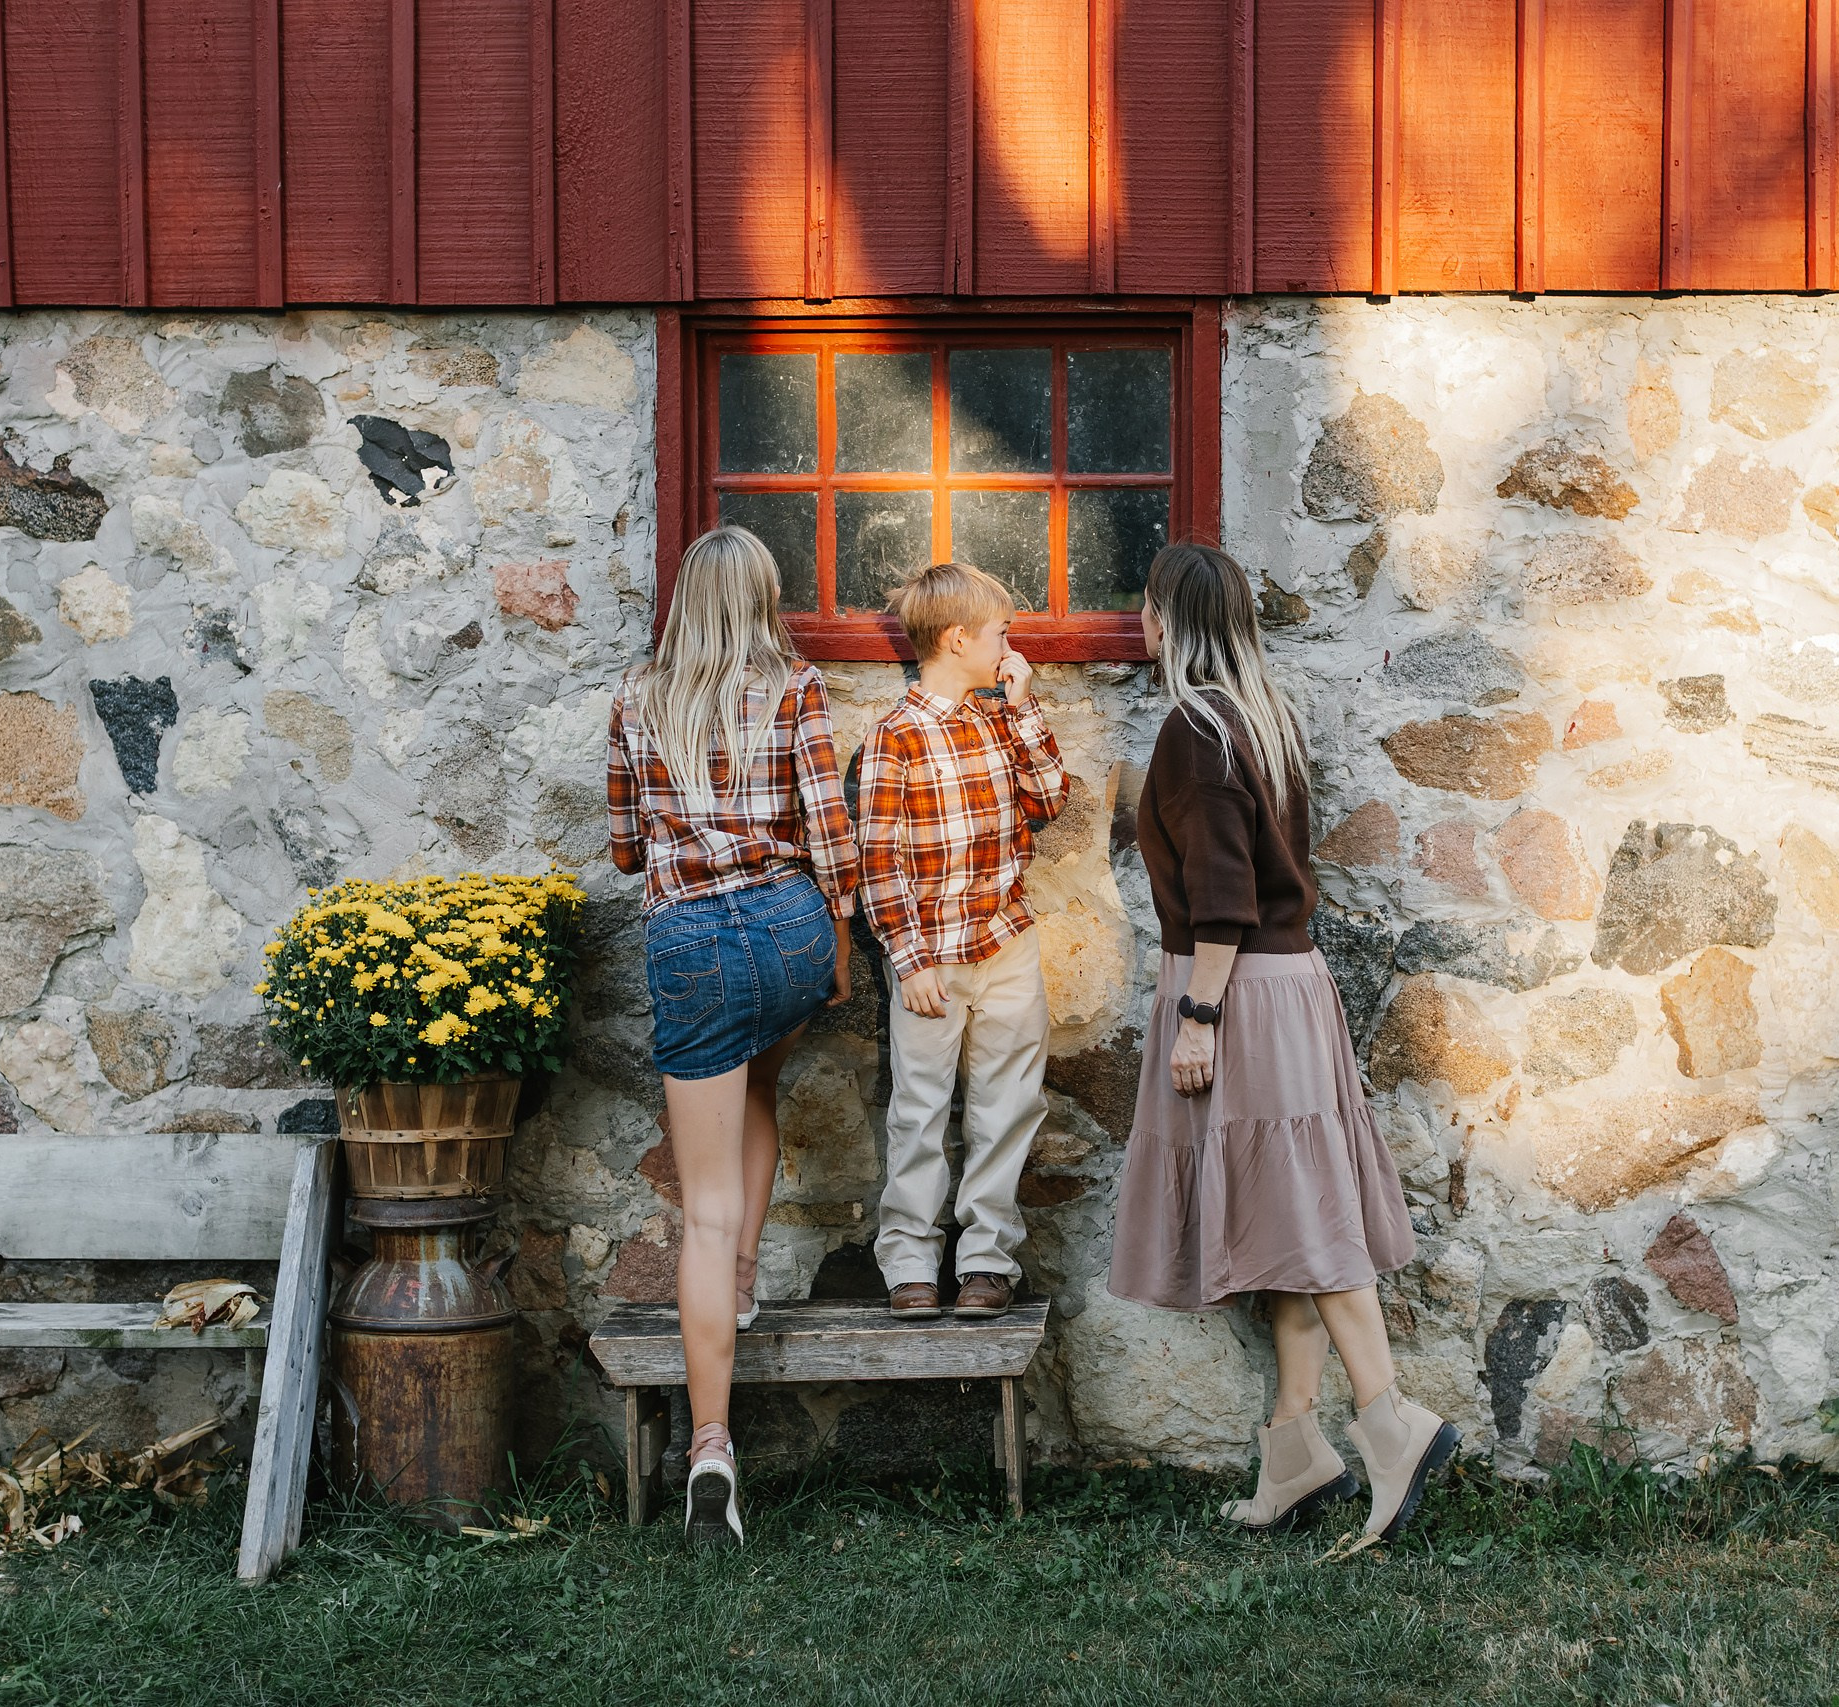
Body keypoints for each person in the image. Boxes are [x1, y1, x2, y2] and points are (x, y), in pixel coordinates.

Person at [1108, 542, 1458, 1543]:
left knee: (1301, 1219)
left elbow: (1221, 900)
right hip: (1287, 987)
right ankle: (1294, 1457)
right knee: (1284, 1220)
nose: (1138, 625)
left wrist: (1198, 1018)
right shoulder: (1258, 718)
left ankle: (1390, 1425)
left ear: (1169, 622)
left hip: (1239, 992)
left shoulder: (1192, 730)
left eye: (1145, 608)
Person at [606, 524, 858, 1550]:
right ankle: (748, 1273)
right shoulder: (795, 687)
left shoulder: (636, 695)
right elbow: (829, 840)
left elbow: (627, 851)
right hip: (791, 926)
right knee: (758, 1078)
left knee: (700, 1211)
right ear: (762, 596)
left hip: (694, 943)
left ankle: (712, 1445)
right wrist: (835, 952)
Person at [857, 562, 1069, 1322]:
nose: (1009, 643)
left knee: (1007, 1103)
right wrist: (907, 959)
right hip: (931, 958)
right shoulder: (894, 736)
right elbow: (879, 859)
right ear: (957, 639)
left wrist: (1022, 707)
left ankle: (986, 1258)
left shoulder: (993, 719)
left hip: (1004, 940)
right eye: (1000, 633)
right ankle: (910, 1258)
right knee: (918, 1107)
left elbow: (1047, 798)